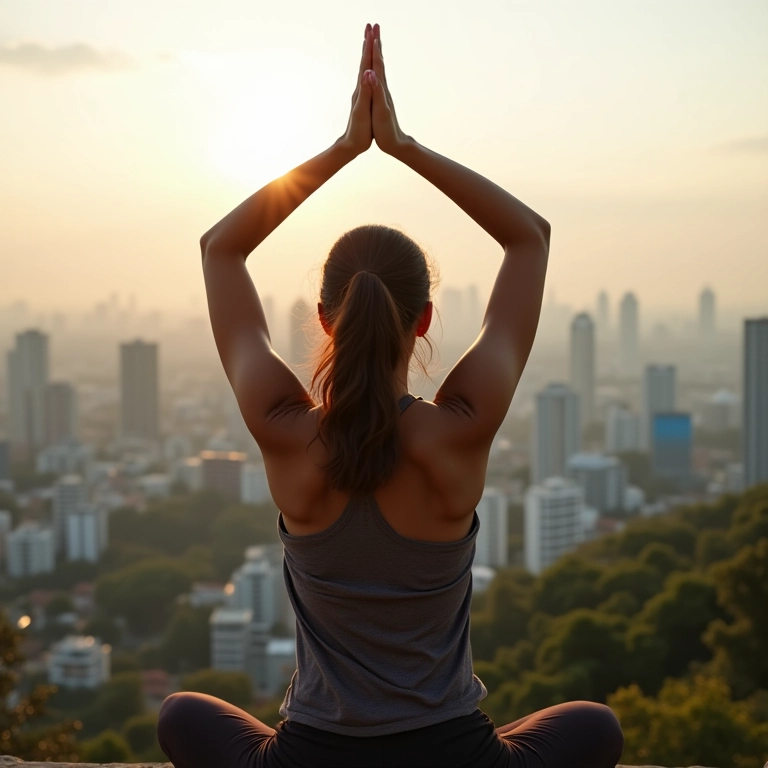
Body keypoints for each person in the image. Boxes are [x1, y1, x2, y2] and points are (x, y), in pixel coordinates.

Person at [157, 22, 624, 768]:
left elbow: (222, 248)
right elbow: (528, 238)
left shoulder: (285, 429)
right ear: (425, 320)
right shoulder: (459, 429)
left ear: (324, 320)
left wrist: (344, 149)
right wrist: (402, 146)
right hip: (454, 756)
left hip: (312, 757)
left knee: (182, 713)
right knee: (596, 725)